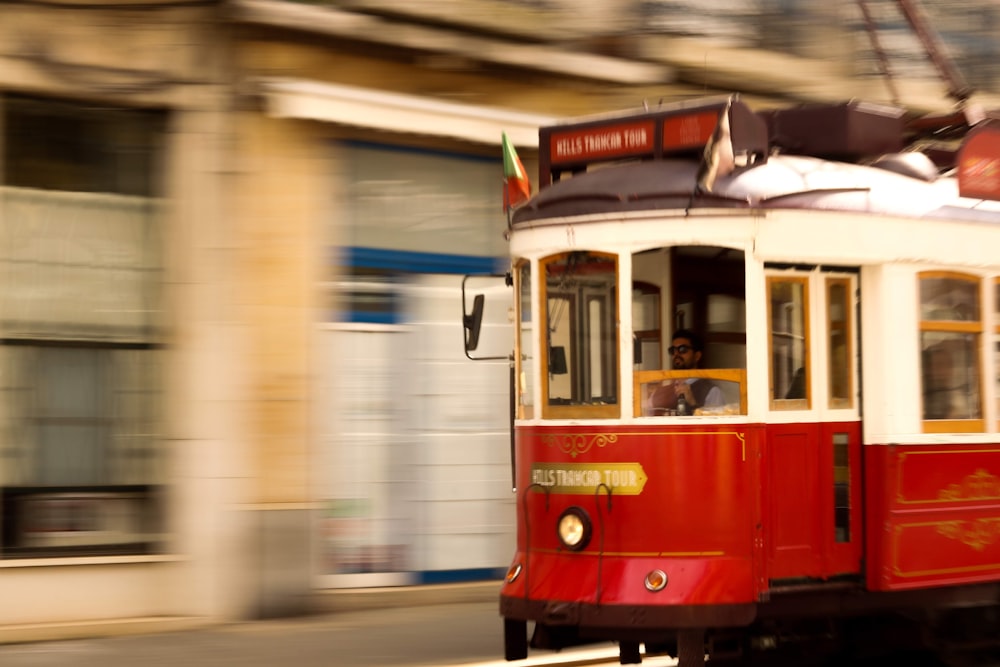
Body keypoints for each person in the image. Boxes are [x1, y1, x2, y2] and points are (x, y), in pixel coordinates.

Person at [648, 329, 723, 414]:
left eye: (683, 349)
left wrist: (693, 403)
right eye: (673, 350)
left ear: (697, 356)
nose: (676, 354)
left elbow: (716, 425)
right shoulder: (658, 393)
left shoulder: (712, 391)